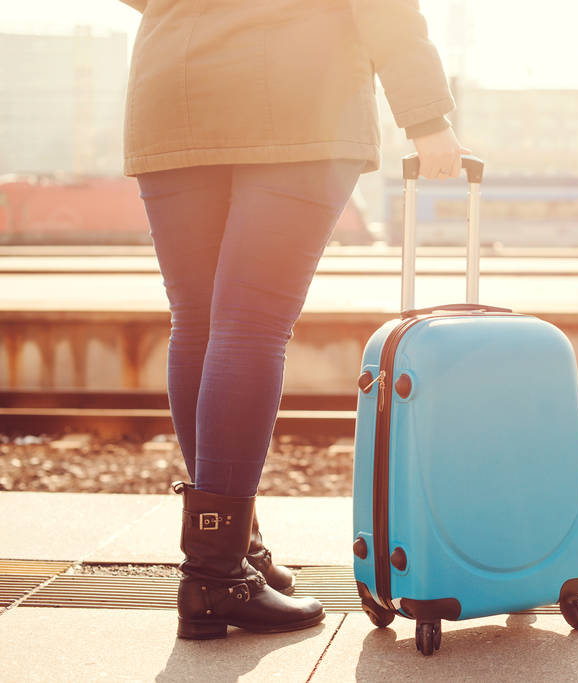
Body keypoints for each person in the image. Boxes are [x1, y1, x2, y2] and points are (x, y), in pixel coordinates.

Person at [117, 0, 469, 639]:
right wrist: (427, 117)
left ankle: (230, 553)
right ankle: (216, 576)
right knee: (248, 326)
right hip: (299, 100)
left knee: (198, 322)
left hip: (174, 88)